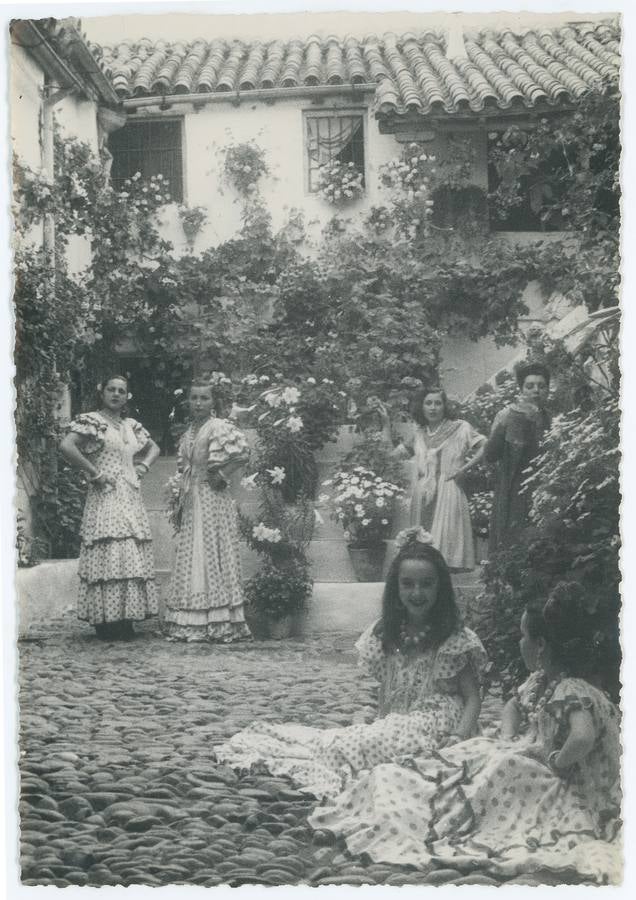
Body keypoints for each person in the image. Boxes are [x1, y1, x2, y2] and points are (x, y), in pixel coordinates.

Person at [310, 582, 621, 885]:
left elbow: (582, 736)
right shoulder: (542, 681)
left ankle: (440, 813)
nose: (519, 643)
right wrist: (511, 733)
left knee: (492, 771)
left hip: (569, 782)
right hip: (529, 753)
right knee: (475, 755)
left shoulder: (570, 689)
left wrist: (557, 759)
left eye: (523, 636)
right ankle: (415, 791)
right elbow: (515, 704)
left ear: (540, 646)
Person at [216, 528, 487, 798]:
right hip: (401, 724)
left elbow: (473, 698)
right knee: (351, 742)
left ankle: (342, 751)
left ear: (440, 587)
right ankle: (319, 750)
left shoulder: (452, 638)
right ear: (396, 588)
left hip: (440, 726)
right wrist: (382, 721)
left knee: (355, 747)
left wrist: (459, 737)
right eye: (408, 584)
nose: (417, 592)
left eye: (427, 584)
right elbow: (387, 689)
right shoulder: (387, 633)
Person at [60, 374, 160, 640]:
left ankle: (125, 618)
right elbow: (67, 446)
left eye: (121, 391)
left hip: (129, 496)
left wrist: (143, 466)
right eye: (111, 389)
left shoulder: (130, 425)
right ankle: (105, 620)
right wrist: (94, 473)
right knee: (109, 551)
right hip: (104, 495)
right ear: (101, 392)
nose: (116, 394)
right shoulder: (92, 421)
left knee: (129, 553)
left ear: (127, 396)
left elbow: (154, 448)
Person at [163, 381, 253, 643]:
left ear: (213, 402)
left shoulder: (219, 427)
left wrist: (222, 474)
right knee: (193, 552)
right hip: (192, 498)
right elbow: (184, 468)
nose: (199, 403)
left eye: (204, 398)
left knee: (213, 550)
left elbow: (242, 454)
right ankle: (190, 620)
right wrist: (179, 494)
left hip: (213, 498)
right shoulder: (188, 431)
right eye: (194, 398)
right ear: (188, 402)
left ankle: (220, 619)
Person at [374, 389, 485, 570]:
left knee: (446, 559)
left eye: (438, 403)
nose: (433, 408)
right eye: (428, 403)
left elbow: (484, 447)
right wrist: (386, 424)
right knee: (424, 559)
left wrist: (464, 469)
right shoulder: (419, 434)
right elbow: (390, 456)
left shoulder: (460, 427)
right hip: (423, 495)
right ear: (422, 407)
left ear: (445, 406)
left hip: (449, 492)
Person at [483, 362, 551, 555]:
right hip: (514, 487)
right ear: (521, 390)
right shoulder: (508, 415)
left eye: (541, 386)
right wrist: (502, 428)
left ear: (547, 389)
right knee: (512, 541)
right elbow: (490, 454)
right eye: (530, 386)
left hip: (544, 487)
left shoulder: (551, 418)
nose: (536, 391)